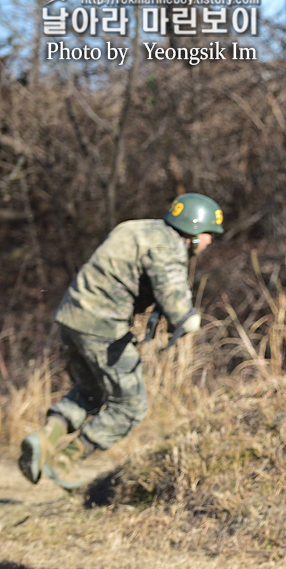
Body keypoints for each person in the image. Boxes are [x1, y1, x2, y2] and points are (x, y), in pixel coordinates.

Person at [18, 193, 224, 490]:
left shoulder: (135, 227)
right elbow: (179, 305)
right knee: (131, 405)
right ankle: (64, 460)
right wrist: (189, 319)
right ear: (192, 231)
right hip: (102, 329)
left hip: (70, 317)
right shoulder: (168, 247)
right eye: (208, 235)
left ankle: (44, 437)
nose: (209, 242)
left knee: (91, 391)